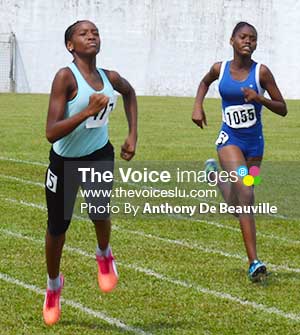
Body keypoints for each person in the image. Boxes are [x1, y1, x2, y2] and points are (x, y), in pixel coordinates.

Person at [43, 20, 137, 325]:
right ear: (71, 45)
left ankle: (104, 253)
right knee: (58, 228)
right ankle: (54, 286)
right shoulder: (65, 78)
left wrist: (132, 135)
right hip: (65, 162)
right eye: (83, 33)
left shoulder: (109, 77)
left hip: (98, 155)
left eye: (95, 31)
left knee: (99, 212)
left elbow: (130, 93)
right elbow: (51, 132)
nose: (91, 36)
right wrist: (86, 110)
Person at [192, 22, 287, 282]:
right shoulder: (219, 68)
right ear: (232, 40)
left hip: (255, 146)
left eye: (253, 39)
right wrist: (197, 106)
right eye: (243, 37)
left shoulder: (261, 73)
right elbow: (204, 82)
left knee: (240, 204)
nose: (248, 41)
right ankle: (254, 262)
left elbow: (282, 107)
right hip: (229, 140)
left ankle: (215, 178)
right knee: (245, 194)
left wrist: (260, 99)